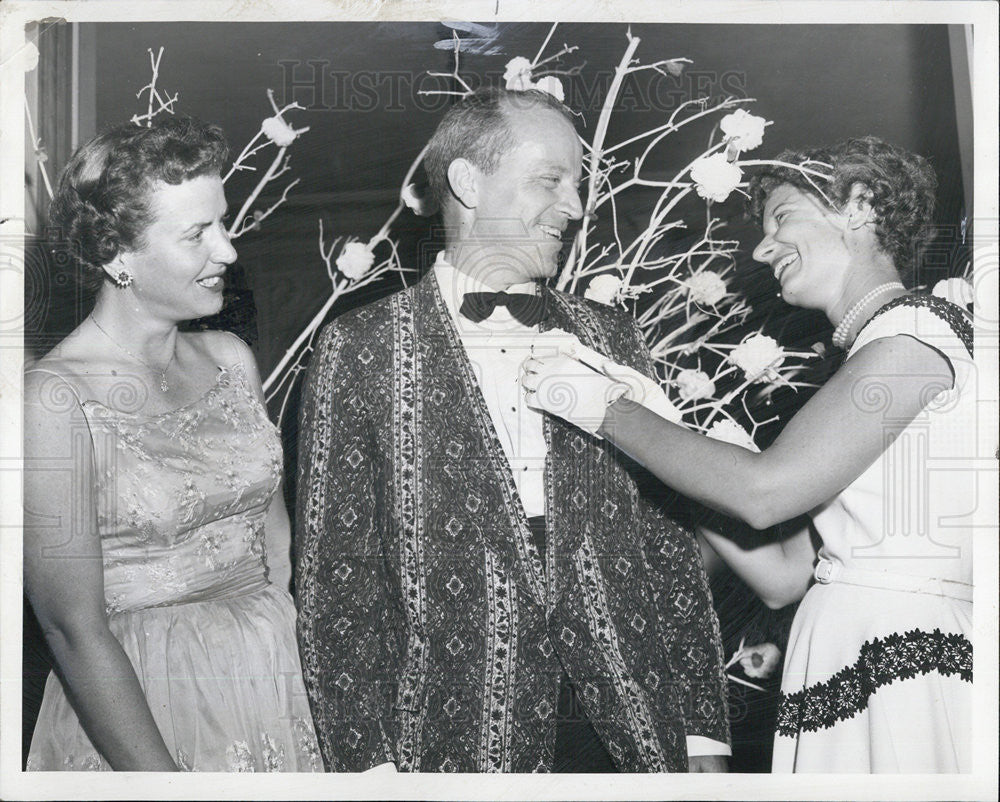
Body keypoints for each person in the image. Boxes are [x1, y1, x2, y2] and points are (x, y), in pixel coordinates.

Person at [295, 88, 730, 773]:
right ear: (468, 182)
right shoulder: (359, 346)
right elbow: (340, 578)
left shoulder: (610, 332)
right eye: (550, 180)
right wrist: (369, 769)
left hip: (628, 726)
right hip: (455, 733)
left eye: (578, 183)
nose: (576, 206)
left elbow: (665, 542)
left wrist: (702, 732)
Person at [522, 136, 975, 773]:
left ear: (861, 205)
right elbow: (784, 575)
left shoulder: (914, 336)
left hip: (899, 652)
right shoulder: (884, 347)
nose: (762, 249)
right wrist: (667, 435)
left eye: (783, 217)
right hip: (848, 638)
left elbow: (765, 494)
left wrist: (606, 408)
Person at [24, 117, 321, 771]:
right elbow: (71, 629)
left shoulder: (230, 358)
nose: (228, 251)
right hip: (147, 703)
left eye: (223, 222)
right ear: (116, 256)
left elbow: (275, 544)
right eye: (197, 234)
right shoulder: (53, 401)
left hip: (272, 676)